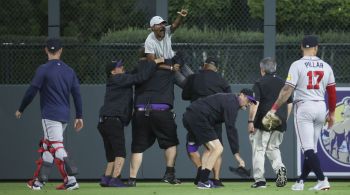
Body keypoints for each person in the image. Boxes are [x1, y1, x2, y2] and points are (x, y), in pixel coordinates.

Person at [266, 35, 336, 191]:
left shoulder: (297, 65)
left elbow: (287, 89)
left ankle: (322, 179)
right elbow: (332, 93)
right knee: (312, 149)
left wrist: (274, 108)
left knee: (308, 148)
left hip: (304, 107)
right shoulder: (326, 66)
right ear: (316, 48)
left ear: (301, 47)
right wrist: (331, 114)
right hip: (320, 107)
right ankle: (300, 181)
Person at [127, 10, 188, 187]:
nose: (162, 26)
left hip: (140, 111)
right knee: (171, 143)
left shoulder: (138, 71)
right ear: (152, 28)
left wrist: (181, 16)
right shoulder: (149, 42)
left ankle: (132, 179)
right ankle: (169, 174)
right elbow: (153, 62)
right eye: (159, 24)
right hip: (162, 109)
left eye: (163, 24)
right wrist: (171, 68)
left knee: (137, 147)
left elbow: (175, 25)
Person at [15, 38, 83, 190]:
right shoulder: (69, 70)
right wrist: (79, 116)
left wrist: (21, 108)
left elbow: (32, 90)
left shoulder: (43, 69)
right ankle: (39, 181)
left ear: (46, 50)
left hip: (50, 115)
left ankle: (71, 180)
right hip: (64, 115)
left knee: (57, 146)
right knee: (47, 146)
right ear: (61, 50)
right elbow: (77, 94)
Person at [97, 58, 163, 187]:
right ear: (112, 71)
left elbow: (133, 73)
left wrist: (143, 62)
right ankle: (115, 179)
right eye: (119, 67)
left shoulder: (117, 79)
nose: (122, 67)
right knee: (120, 153)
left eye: (122, 65)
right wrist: (154, 63)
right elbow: (141, 77)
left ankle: (106, 178)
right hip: (113, 121)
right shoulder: (118, 79)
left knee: (111, 154)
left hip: (104, 121)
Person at [182, 88, 257, 189]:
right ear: (241, 95)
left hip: (191, 116)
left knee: (209, 149)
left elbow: (215, 118)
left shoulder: (230, 100)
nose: (249, 104)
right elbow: (230, 129)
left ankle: (201, 178)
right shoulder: (232, 103)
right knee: (218, 148)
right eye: (248, 100)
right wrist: (237, 155)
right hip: (198, 117)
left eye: (251, 102)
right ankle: (203, 181)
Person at [182, 56, 231, 187]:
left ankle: (201, 168)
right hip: (214, 119)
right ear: (217, 68)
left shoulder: (193, 78)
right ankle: (216, 178)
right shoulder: (222, 80)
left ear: (204, 65)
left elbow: (184, 95)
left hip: (196, 117)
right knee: (216, 148)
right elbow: (228, 99)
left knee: (191, 147)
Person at [247, 57, 293, 188]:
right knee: (273, 148)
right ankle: (280, 170)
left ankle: (260, 180)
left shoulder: (259, 83)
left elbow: (255, 104)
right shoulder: (284, 83)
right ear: (275, 68)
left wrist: (251, 121)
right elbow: (290, 104)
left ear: (262, 69)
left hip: (264, 119)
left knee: (259, 149)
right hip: (280, 120)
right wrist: (284, 119)